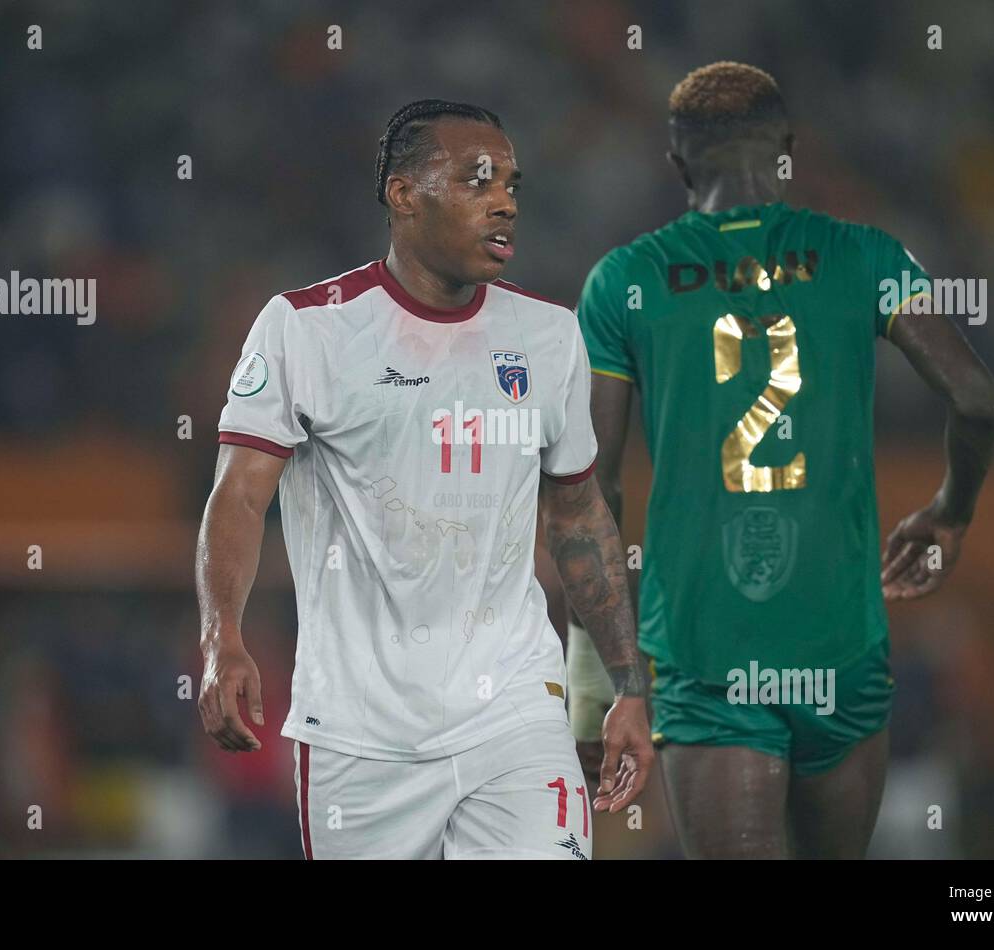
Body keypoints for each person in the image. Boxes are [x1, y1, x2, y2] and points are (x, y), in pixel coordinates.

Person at [195, 100, 652, 859]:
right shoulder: (307, 329)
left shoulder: (548, 336)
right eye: (478, 179)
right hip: (357, 734)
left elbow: (578, 517)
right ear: (403, 194)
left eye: (511, 183)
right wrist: (222, 639)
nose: (505, 199)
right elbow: (239, 494)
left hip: (514, 712)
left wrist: (624, 685)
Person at [567, 63, 994, 858]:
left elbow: (591, 491)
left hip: (706, 654)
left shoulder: (622, 283)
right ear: (788, 152)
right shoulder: (867, 255)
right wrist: (951, 510)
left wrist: (605, 679)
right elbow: (978, 399)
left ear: (677, 164)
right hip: (839, 650)